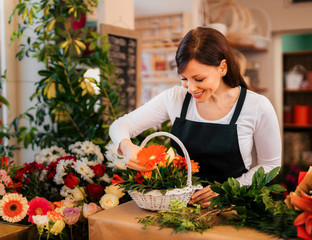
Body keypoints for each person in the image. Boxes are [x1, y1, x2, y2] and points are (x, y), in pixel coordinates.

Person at [109, 27, 281, 206]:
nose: (190, 88)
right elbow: (120, 126)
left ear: (222, 68)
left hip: (234, 207)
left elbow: (270, 166)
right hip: (180, 206)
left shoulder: (256, 106)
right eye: (184, 79)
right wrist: (127, 147)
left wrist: (229, 190)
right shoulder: (175, 98)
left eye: (199, 79)